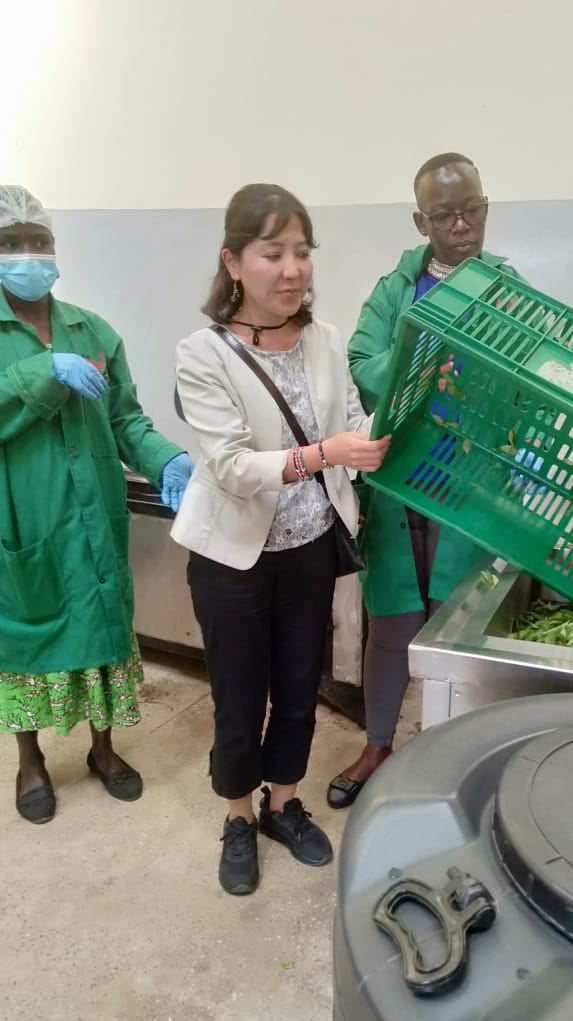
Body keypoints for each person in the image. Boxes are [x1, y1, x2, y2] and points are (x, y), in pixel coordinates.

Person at [172, 183, 390, 895]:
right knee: (240, 697)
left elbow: (352, 422)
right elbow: (233, 468)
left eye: (302, 252)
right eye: (273, 253)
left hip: (310, 548)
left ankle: (283, 804)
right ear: (233, 262)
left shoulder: (326, 341)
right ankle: (238, 816)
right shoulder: (202, 355)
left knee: (299, 687)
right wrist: (328, 453)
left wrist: (386, 424)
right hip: (233, 559)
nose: (292, 269)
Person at [327, 153, 526, 809]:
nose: (461, 225)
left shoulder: (508, 290)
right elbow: (362, 363)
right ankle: (378, 744)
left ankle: (447, 759)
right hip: (399, 481)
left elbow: (530, 381)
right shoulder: (396, 291)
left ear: (486, 209)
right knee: (392, 621)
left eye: (471, 210)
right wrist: (426, 350)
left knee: (456, 628)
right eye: (445, 216)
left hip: (471, 487)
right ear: (421, 222)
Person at [0, 184, 193, 824]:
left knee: (104, 627)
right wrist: (43, 372)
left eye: (38, 240)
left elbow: (125, 419)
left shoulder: (93, 330)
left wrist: (166, 457)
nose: (27, 254)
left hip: (93, 517)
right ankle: (30, 760)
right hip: (24, 518)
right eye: (10, 243)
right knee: (24, 637)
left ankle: (103, 751)